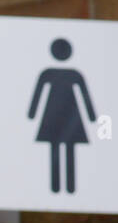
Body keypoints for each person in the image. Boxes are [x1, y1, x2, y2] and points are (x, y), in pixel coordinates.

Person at [28, 38, 97, 195]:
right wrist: (92, 116)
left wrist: (32, 114)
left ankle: (64, 187)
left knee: (62, 148)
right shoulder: (67, 74)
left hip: (60, 114)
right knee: (62, 148)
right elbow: (38, 94)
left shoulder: (56, 74)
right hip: (64, 114)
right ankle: (60, 187)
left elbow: (84, 95)